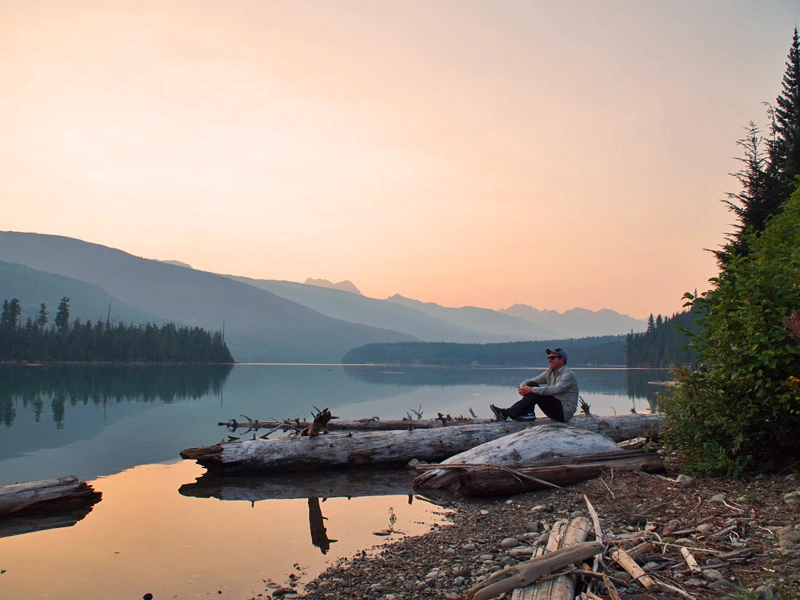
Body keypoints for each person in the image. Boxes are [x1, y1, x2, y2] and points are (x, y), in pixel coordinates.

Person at [490, 347, 578, 423]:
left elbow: (556, 389)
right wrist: (522, 387)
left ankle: (506, 413)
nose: (549, 360)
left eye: (552, 358)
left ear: (561, 359)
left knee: (536, 391)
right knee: (532, 385)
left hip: (564, 412)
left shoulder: (568, 374)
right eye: (548, 358)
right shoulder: (550, 372)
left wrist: (531, 390)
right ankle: (529, 414)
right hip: (554, 407)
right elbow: (530, 381)